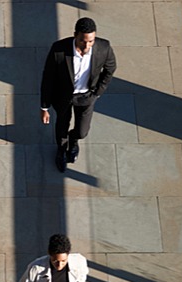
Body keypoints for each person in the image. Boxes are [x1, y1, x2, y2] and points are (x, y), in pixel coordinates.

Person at [40, 17, 117, 173]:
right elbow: (48, 78)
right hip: (63, 97)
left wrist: (98, 92)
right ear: (75, 35)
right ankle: (61, 150)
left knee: (82, 131)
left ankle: (73, 140)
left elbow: (110, 69)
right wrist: (44, 106)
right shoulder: (59, 49)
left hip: (87, 96)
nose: (87, 45)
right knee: (62, 124)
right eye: (83, 41)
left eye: (91, 41)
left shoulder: (104, 47)